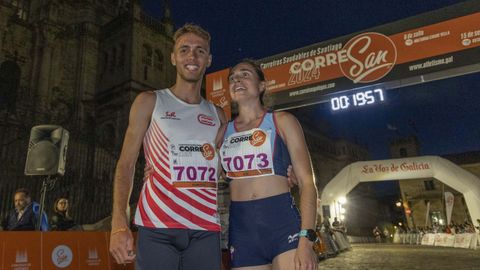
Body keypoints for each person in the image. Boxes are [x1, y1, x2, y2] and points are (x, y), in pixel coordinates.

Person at [109, 23, 227, 270]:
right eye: (184, 50)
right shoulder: (149, 101)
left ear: (209, 60)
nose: (192, 56)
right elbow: (126, 164)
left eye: (200, 51)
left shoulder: (218, 114)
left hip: (205, 228)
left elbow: (223, 168)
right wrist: (119, 223)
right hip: (158, 226)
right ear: (173, 58)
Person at [219, 59, 318, 270]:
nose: (237, 79)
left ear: (262, 85)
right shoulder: (222, 131)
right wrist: (157, 169)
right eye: (232, 78)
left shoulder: (282, 120)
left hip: (282, 225)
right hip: (242, 230)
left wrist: (307, 239)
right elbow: (205, 176)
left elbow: (308, 183)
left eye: (245, 74)